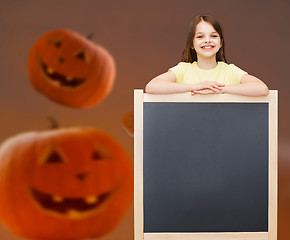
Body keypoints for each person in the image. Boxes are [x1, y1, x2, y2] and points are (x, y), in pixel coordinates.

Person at [145, 15, 269, 97]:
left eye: (213, 36)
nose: (208, 40)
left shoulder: (229, 70)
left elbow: (262, 89)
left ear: (220, 43)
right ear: (192, 44)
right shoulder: (183, 70)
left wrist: (220, 89)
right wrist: (196, 87)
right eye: (200, 37)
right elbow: (151, 87)